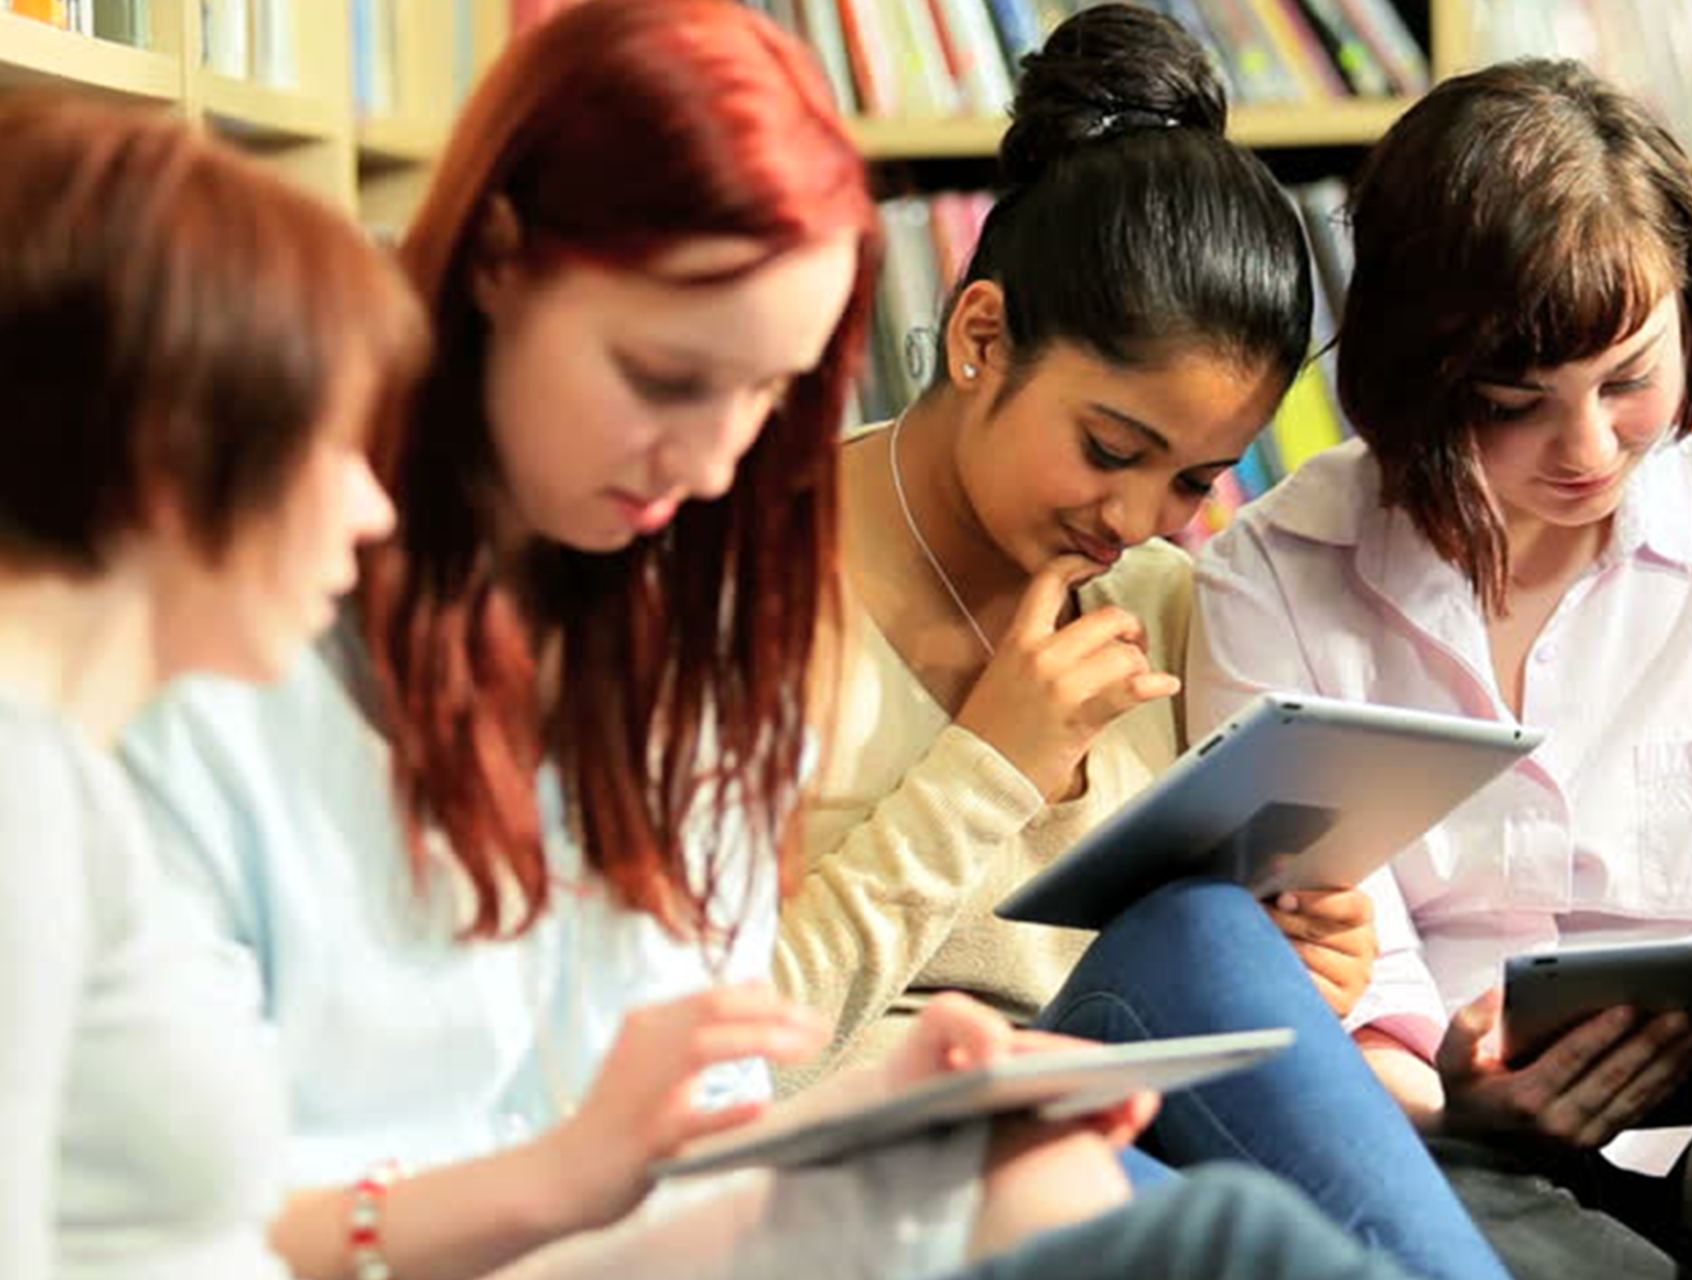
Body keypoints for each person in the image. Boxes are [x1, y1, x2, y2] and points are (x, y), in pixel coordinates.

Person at [119, 5, 1422, 1280]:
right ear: (499, 260)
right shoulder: (247, 656)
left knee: (1104, 1141)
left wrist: (904, 1100)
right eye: (669, 379)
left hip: (680, 1200)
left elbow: (711, 1080)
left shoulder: (672, 595)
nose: (714, 466)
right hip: (550, 1223)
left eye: (768, 398)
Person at [771, 8, 1509, 1280]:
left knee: (1208, 938)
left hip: (1105, 1104)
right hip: (856, 1138)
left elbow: (1172, 988)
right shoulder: (764, 591)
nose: (1134, 519)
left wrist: (1301, 970)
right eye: (1111, 448)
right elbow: (729, 1049)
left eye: (1193, 480)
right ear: (980, 335)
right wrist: (984, 770)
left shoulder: (1176, 600)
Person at [1188, 57, 1692, 1279]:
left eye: (1631, 380)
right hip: (1449, 1131)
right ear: (1419, 378)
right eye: (1515, 401)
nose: (1588, 447)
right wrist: (1447, 1093)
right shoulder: (1270, 578)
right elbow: (1338, 964)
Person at [0, 93, 422, 1279]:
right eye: (336, 449)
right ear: (177, 457)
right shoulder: (18, 788)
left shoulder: (66, 773)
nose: (374, 509)